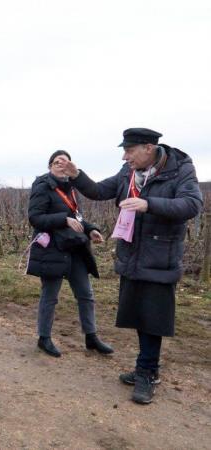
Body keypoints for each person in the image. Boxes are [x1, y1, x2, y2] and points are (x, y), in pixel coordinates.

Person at [57, 128, 203, 405]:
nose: (125, 157)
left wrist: (149, 204)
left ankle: (148, 373)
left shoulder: (180, 169)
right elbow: (99, 191)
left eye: (130, 151)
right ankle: (144, 367)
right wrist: (77, 174)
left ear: (148, 148)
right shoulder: (128, 172)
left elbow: (192, 204)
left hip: (160, 256)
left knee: (153, 317)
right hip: (132, 254)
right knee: (139, 315)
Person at [26, 150, 113, 358]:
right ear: (50, 166)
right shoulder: (42, 186)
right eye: (57, 162)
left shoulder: (72, 188)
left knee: (86, 295)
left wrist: (91, 229)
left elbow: (78, 218)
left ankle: (91, 336)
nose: (61, 165)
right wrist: (63, 220)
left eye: (65, 162)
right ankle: (44, 338)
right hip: (53, 250)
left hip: (75, 249)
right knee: (50, 296)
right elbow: (35, 218)